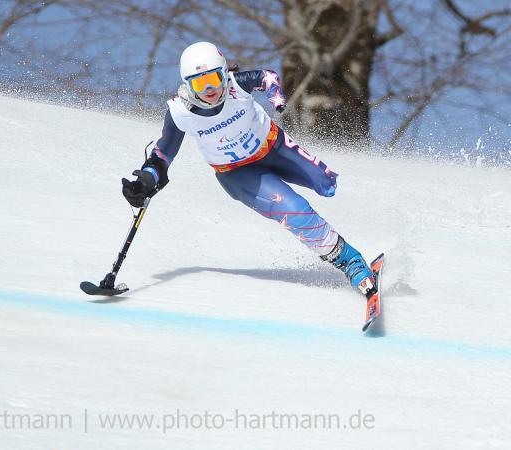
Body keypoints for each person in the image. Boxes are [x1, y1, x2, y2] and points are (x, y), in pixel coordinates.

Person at [121, 41, 377, 300]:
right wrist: (146, 179)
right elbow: (163, 155)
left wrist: (276, 95)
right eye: (199, 84)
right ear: (188, 85)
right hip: (237, 172)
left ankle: (345, 250)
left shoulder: (236, 85)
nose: (209, 89)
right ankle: (351, 263)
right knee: (294, 209)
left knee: (327, 184)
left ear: (224, 73)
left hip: (275, 149)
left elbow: (267, 77)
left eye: (213, 79)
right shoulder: (179, 112)